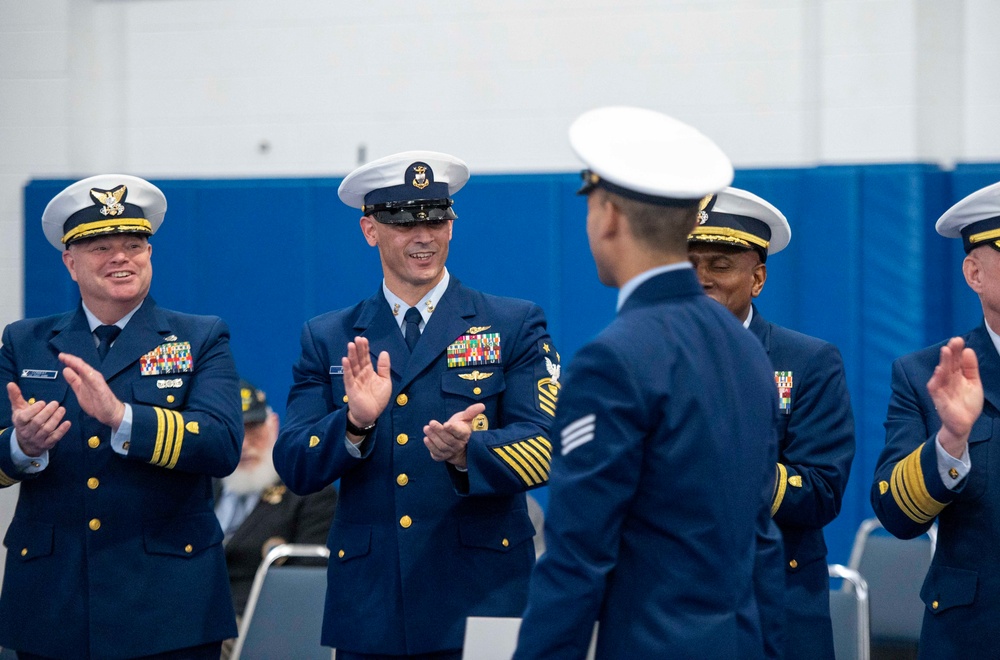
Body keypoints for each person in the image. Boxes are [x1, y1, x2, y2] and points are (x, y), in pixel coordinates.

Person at [514, 107, 782, 659]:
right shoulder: (747, 350)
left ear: (608, 214)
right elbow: (761, 541)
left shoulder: (613, 359)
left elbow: (577, 556)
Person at [272, 151, 559, 658]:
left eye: (437, 219)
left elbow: (545, 446)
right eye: (403, 222)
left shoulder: (512, 324)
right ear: (370, 230)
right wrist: (354, 423)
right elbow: (294, 462)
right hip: (372, 605)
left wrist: (470, 450)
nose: (424, 236)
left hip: (482, 594)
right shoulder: (329, 336)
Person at [0, 175, 242, 659]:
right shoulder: (24, 341)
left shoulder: (198, 338)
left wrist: (122, 418)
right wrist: (20, 446)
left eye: (134, 244)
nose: (121, 257)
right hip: (53, 599)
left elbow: (221, 444)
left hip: (169, 603)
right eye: (101, 247)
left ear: (150, 254)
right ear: (70, 263)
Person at [688, 187, 856, 658]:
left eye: (720, 265)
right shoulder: (646, 358)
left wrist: (729, 467)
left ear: (757, 279)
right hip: (673, 602)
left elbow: (821, 490)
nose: (701, 278)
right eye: (689, 264)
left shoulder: (807, 362)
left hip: (775, 603)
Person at [872, 180, 1000, 657]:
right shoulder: (925, 374)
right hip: (975, 636)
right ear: (974, 272)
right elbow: (896, 516)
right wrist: (952, 439)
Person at [216, 378, 337, 615]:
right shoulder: (201, 490)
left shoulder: (308, 495)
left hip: (255, 625)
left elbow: (306, 589)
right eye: (235, 432)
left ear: (273, 425)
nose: (244, 445)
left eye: (254, 430)